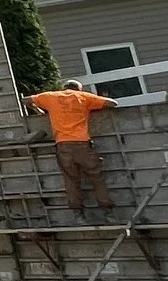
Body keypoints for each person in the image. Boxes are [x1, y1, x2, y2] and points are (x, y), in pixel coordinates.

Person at [26, 82, 117, 218]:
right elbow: (112, 103)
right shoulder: (84, 96)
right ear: (78, 89)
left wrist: (40, 112)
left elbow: (25, 100)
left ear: (63, 88)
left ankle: (78, 215)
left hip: (63, 145)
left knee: (71, 180)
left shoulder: (50, 96)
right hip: (82, 144)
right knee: (96, 178)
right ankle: (108, 213)